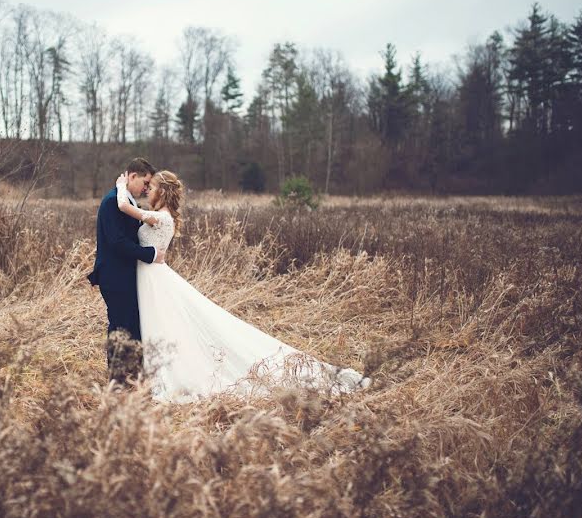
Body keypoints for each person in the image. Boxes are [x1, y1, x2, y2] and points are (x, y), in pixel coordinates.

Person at [113, 170, 371, 403]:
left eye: (153, 186)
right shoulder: (159, 216)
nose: (149, 190)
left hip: (155, 278)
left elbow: (123, 206)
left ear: (163, 191)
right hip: (150, 276)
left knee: (166, 325)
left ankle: (168, 376)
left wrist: (121, 185)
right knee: (161, 325)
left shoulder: (162, 218)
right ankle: (153, 373)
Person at [87, 158, 166, 383]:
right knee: (120, 326)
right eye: (145, 182)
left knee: (131, 324)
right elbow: (117, 242)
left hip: (127, 276)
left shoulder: (127, 201)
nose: (146, 188)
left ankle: (131, 376)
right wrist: (150, 254)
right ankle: (117, 380)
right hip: (115, 276)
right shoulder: (112, 202)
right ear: (132, 176)